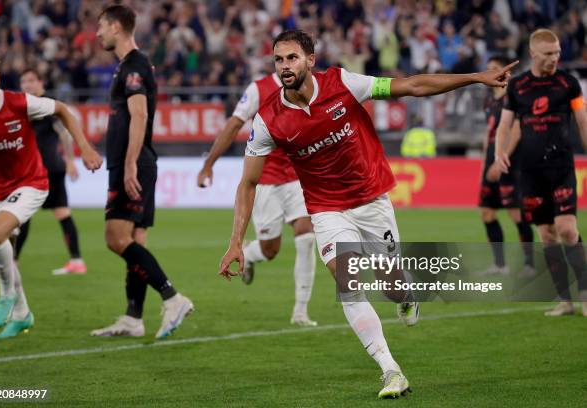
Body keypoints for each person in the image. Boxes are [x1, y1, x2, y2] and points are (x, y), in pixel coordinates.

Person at [219, 30, 517, 399]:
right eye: (279, 60)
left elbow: (413, 86)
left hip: (371, 201)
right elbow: (248, 183)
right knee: (349, 283)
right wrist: (235, 242)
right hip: (326, 209)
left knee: (392, 284)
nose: (285, 66)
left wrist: (476, 78)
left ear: (311, 59)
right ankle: (390, 370)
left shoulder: (343, 83)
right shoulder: (268, 120)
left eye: (292, 58)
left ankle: (406, 295)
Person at [0, 51, 102, 339]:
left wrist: (84, 148)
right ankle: (22, 314)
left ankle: (6, 296)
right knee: (1, 255)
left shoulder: (20, 102)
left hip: (32, 183)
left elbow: (63, 111)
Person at [91, 4, 194, 340]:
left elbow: (139, 115)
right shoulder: (130, 65)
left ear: (118, 27)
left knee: (115, 239)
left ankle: (172, 297)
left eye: (102, 26)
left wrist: (130, 162)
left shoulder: (134, 65)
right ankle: (134, 317)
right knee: (134, 240)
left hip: (132, 164)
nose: (98, 33)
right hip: (137, 162)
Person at [197, 72, 317, 326]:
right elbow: (233, 126)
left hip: (298, 176)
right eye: (282, 57)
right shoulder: (258, 89)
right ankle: (251, 255)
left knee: (306, 236)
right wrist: (209, 164)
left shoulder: (310, 85)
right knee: (270, 249)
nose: (288, 63)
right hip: (265, 180)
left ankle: (300, 311)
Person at [495, 29, 587, 317]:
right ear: (533, 53)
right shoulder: (518, 86)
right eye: (549, 53)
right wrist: (500, 153)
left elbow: (583, 122)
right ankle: (565, 300)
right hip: (531, 173)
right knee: (547, 236)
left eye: (558, 52)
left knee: (568, 230)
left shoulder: (569, 84)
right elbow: (505, 125)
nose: (555, 58)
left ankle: (584, 292)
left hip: (561, 168)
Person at [13, 68, 87, 275]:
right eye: (23, 81)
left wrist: (71, 160)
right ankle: (77, 261)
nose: (27, 85)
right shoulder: (25, 107)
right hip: (46, 168)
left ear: (41, 84)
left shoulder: (46, 105)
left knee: (22, 213)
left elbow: (63, 132)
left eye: (31, 80)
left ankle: (12, 261)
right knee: (62, 213)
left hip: (44, 169)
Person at [479, 55, 535, 278]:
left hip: (509, 163)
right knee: (487, 213)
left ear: (505, 72)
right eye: (488, 68)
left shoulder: (513, 97)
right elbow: (488, 133)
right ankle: (500, 265)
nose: (491, 72)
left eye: (495, 68)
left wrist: (499, 158)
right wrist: (485, 162)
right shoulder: (488, 99)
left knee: (515, 213)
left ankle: (530, 264)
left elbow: (517, 130)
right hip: (490, 163)